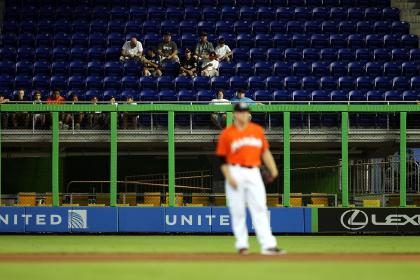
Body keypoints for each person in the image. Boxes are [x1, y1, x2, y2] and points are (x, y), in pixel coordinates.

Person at [216, 102, 286, 256]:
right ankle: (242, 245)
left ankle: (268, 245)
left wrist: (273, 170)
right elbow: (222, 160)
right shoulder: (227, 134)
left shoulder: (257, 130)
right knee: (238, 210)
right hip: (234, 171)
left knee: (260, 208)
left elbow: (265, 152)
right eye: (240, 112)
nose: (244, 114)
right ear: (234, 114)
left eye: (246, 111)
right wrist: (229, 177)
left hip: (254, 172)